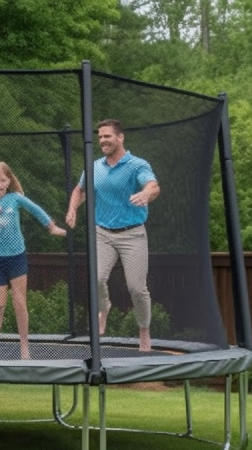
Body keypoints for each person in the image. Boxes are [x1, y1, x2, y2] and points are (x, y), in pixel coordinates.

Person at [65, 119, 159, 352]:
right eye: (100, 137)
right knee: (96, 279)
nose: (103, 141)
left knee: (137, 288)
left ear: (120, 137)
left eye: (107, 136)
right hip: (102, 233)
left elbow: (153, 186)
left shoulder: (136, 164)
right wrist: (72, 208)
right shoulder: (94, 166)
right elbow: (81, 190)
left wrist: (146, 194)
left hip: (132, 234)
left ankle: (144, 331)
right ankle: (104, 307)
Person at [0, 161, 67, 359]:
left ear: (9, 181)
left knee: (19, 301)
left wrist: (51, 227)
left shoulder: (15, 198)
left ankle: (24, 346)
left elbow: (36, 210)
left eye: (2, 180)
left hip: (16, 256)